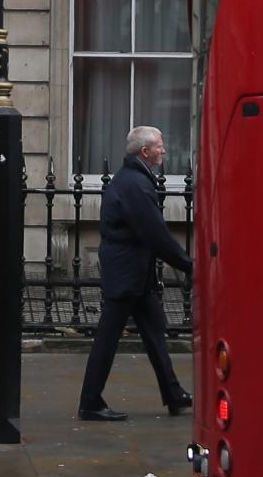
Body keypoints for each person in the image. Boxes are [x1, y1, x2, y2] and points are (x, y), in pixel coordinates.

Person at [77, 125, 197, 422]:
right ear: (145, 151)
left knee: (155, 332)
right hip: (127, 273)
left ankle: (174, 394)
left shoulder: (134, 179)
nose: (164, 150)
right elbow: (156, 233)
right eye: (159, 146)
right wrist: (190, 265)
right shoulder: (135, 184)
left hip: (135, 274)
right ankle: (90, 402)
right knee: (107, 338)